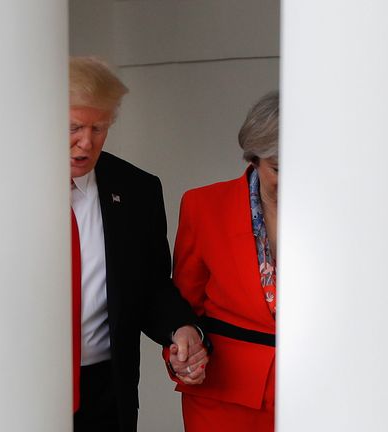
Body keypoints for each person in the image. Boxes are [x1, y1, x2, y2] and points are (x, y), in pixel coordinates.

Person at [68, 56, 209, 431]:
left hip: (104, 388)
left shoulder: (136, 189)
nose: (86, 142)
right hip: (18, 385)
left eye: (99, 128)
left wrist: (181, 329)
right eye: (73, 127)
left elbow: (150, 287)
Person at [166, 91, 279, 432]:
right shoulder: (204, 205)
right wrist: (183, 357)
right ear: (255, 157)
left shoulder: (345, 210)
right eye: (279, 168)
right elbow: (183, 306)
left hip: (325, 387)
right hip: (225, 396)